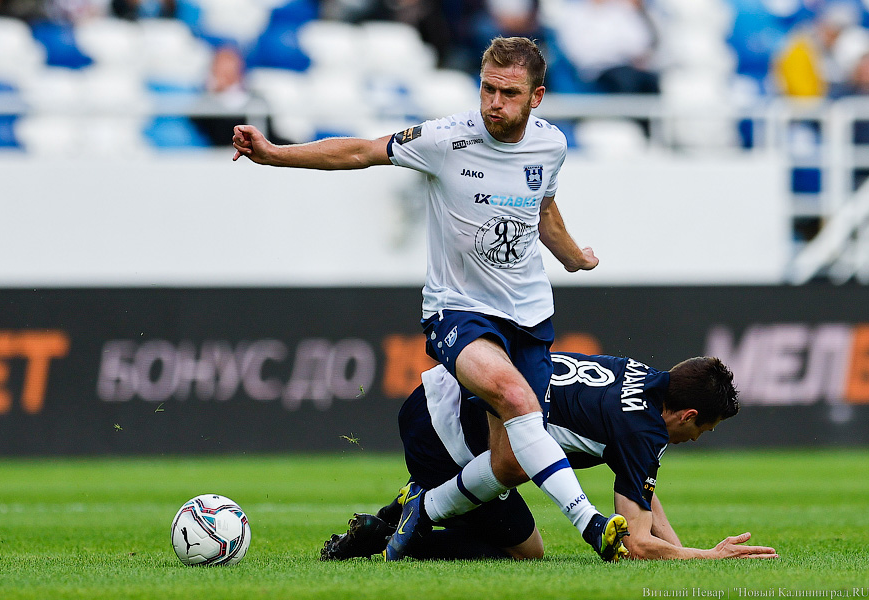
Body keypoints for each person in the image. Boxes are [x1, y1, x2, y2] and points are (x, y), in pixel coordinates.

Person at [232, 36, 622, 562]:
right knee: (515, 396)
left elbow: (543, 209)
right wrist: (275, 154)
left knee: (508, 463)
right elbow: (361, 151)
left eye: (508, 93)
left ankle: (421, 510)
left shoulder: (550, 145)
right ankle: (591, 524)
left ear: (537, 97)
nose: (493, 103)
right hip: (457, 309)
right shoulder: (446, 139)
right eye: (487, 88)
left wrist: (573, 257)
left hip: (529, 316)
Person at [321, 352, 780, 561]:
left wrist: (676, 549)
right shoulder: (642, 429)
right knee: (527, 550)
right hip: (445, 433)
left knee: (509, 484)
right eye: (704, 429)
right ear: (689, 415)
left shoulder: (639, 376)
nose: (698, 439)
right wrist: (705, 557)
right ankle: (404, 526)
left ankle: (393, 515)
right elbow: (637, 543)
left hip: (435, 394)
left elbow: (640, 493)